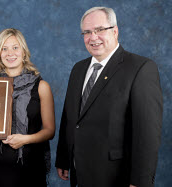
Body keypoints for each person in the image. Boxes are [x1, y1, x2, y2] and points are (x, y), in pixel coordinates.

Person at [56, 7, 162, 187]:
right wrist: (64, 158)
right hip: (80, 172)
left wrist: (140, 182)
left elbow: (148, 134)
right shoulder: (78, 69)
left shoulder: (140, 68)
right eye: (87, 32)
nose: (93, 37)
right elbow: (70, 117)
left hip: (116, 176)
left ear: (115, 31)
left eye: (99, 30)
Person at [0, 28, 55, 187]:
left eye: (15, 47)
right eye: (4, 49)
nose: (9, 53)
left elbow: (49, 131)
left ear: (24, 52)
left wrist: (25, 139)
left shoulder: (41, 87)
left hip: (28, 168)